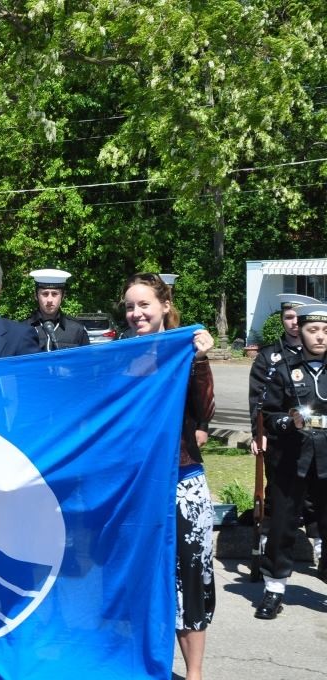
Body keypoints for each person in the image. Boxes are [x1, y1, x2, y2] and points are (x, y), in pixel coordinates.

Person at [122, 273, 215, 680]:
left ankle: (193, 674)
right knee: (136, 576)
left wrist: (199, 359)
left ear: (164, 306)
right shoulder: (119, 357)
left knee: (190, 579)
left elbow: (205, 409)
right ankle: (137, 665)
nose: (136, 313)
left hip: (182, 481)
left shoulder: (186, 352)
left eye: (144, 304)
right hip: (135, 487)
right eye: (130, 306)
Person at [254, 303, 327, 621]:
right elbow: (267, 413)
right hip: (291, 461)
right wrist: (288, 421)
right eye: (313, 330)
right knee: (283, 526)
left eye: (326, 330)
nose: (320, 336)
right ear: (301, 330)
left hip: (326, 461)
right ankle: (274, 590)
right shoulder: (282, 366)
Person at [248, 293, 321, 560]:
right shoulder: (270, 357)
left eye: (297, 318)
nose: (292, 323)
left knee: (316, 496)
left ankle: (318, 543)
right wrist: (259, 434)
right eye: (288, 317)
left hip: (318, 441)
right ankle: (269, 543)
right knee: (279, 494)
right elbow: (259, 400)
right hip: (283, 439)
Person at [24, 268, 90, 351]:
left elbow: (86, 361)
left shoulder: (77, 329)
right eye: (45, 294)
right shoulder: (23, 328)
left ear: (63, 296)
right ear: (36, 296)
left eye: (54, 294)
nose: (49, 300)